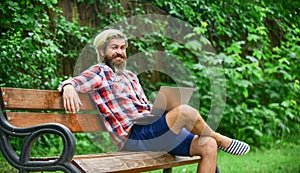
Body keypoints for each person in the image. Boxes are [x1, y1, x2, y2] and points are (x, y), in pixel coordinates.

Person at [58, 29, 250, 173]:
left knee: (208, 144)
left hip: (151, 130)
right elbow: (74, 82)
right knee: (186, 112)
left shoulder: (131, 76)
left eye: (123, 48)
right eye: (114, 48)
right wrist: (67, 87)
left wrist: (161, 109)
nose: (120, 52)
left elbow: (143, 108)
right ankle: (222, 139)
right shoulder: (100, 72)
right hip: (133, 137)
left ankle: (215, 139)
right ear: (101, 51)